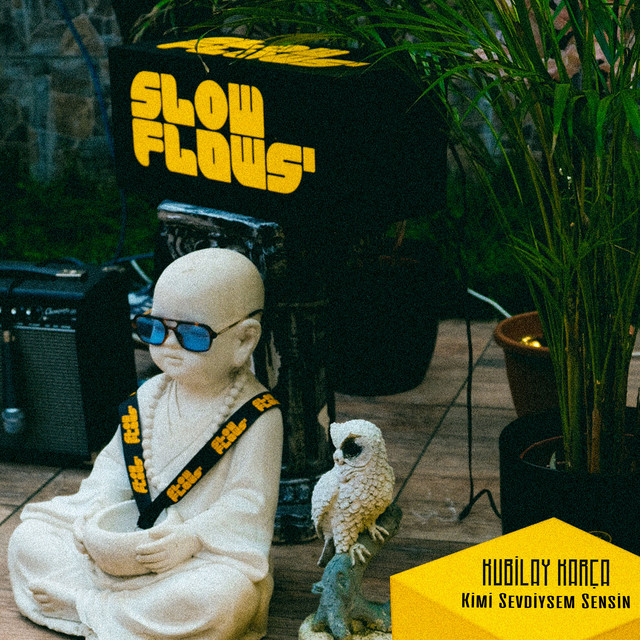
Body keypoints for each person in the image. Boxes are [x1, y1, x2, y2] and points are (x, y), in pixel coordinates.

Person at [8, 248, 283, 640]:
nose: (168, 345)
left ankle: (86, 606)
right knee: (29, 539)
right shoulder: (150, 395)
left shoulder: (258, 414)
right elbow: (112, 472)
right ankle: (121, 614)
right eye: (155, 328)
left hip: (191, 559)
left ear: (244, 340)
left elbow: (248, 504)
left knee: (225, 598)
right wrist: (98, 517)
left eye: (191, 334)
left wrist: (191, 537)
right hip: (121, 549)